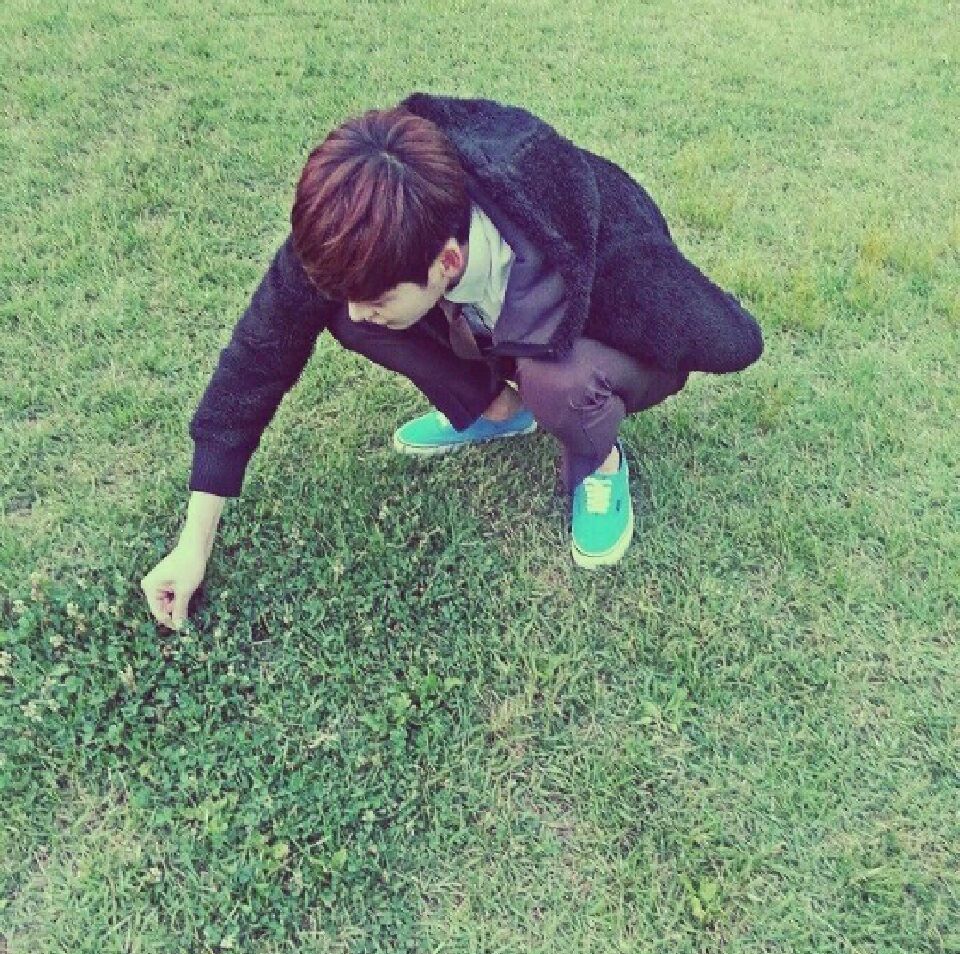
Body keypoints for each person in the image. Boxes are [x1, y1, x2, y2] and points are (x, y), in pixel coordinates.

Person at [141, 92, 763, 629]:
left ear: (448, 260)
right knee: (345, 314)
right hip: (498, 317)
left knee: (558, 380)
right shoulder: (367, 228)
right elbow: (257, 356)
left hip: (600, 336)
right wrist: (193, 543)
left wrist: (606, 374)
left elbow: (707, 333)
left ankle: (598, 461)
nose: (359, 311)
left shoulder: (584, 237)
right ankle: (496, 408)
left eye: (378, 296)